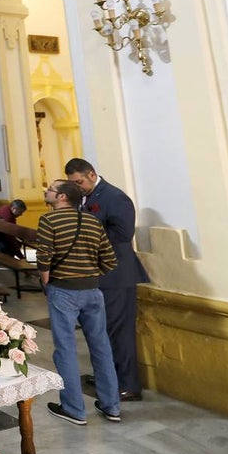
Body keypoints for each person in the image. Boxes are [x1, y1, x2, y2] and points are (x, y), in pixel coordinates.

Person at [37, 179, 121, 426]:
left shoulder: (49, 220)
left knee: (65, 349)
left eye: (51, 190)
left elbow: (44, 257)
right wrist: (89, 274)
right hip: (93, 291)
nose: (47, 192)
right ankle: (111, 406)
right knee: (101, 347)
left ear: (62, 197)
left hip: (63, 290)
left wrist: (46, 283)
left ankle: (74, 409)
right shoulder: (93, 221)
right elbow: (109, 259)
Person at [65, 157, 149, 402]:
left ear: (91, 174)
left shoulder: (114, 196)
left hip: (117, 275)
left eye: (79, 181)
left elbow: (124, 234)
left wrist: (87, 232)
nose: (77, 187)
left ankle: (128, 385)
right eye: (73, 183)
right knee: (101, 330)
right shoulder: (87, 198)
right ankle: (108, 376)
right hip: (99, 275)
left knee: (119, 332)